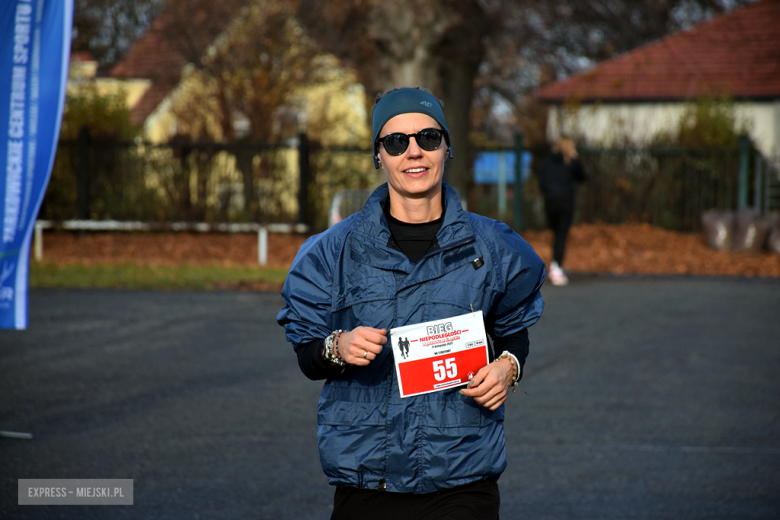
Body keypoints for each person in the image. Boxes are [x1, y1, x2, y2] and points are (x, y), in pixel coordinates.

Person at [277, 87, 546, 520]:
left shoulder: (495, 247)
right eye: (397, 141)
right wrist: (338, 347)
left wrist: (509, 367)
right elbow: (308, 354)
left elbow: (514, 328)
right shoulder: (331, 252)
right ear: (378, 155)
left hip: (462, 478)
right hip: (366, 481)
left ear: (447, 147)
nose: (414, 152)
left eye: (428, 138)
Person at [537, 135, 587, 286]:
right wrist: (576, 160)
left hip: (550, 202)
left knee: (555, 233)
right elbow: (583, 177)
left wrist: (548, 194)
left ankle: (555, 264)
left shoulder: (546, 161)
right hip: (565, 202)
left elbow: (541, 182)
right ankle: (556, 266)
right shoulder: (570, 162)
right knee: (561, 235)